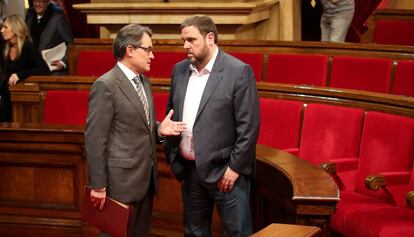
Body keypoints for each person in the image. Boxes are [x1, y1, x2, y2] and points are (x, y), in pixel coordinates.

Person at [85, 23, 186, 237]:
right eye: (148, 49)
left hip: (145, 182)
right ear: (129, 50)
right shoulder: (106, 85)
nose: (152, 56)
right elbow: (95, 140)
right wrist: (98, 185)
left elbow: (137, 127)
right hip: (119, 185)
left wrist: (159, 130)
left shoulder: (144, 82)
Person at [165, 15, 260, 237]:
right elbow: (171, 113)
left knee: (237, 233)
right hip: (189, 170)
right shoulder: (179, 70)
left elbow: (249, 127)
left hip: (225, 173)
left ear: (210, 37)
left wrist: (235, 169)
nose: (185, 46)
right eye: (183, 40)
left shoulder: (238, 71)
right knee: (194, 233)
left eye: (191, 39)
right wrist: (171, 152)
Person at [0, 15, 49, 122]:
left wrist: (20, 75)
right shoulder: (6, 48)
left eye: (5, 27)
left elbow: (44, 69)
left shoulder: (27, 47)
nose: (2, 30)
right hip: (7, 95)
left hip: (23, 97)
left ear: (15, 29)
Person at [25, 0, 73, 73]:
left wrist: (63, 62)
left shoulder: (58, 16)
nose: (37, 4)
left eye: (41, 1)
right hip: (33, 67)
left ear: (47, 2)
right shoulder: (30, 14)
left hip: (52, 68)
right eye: (35, 1)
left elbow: (70, 43)